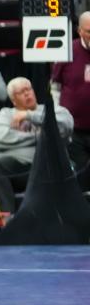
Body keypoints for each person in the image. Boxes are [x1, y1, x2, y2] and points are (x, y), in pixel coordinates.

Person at [0, 77, 74, 213]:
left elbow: (66, 127)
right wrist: (42, 136)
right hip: (20, 167)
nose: (27, 93)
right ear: (14, 100)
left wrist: (29, 115)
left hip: (48, 167)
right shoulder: (6, 114)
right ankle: (5, 216)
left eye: (28, 89)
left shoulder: (52, 110)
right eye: (21, 92)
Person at [51, 11, 90, 188]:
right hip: (74, 129)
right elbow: (55, 87)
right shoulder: (66, 51)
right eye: (89, 31)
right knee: (80, 174)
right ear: (79, 31)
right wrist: (58, 115)